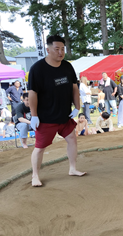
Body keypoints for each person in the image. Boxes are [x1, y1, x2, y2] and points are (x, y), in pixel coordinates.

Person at [28, 35, 86, 186]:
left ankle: (72, 168)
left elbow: (74, 87)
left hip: (64, 115)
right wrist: (34, 115)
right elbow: (32, 93)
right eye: (57, 49)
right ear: (48, 50)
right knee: (40, 147)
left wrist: (77, 107)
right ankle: (35, 176)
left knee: (72, 139)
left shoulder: (67, 66)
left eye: (62, 49)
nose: (60, 52)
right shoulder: (37, 69)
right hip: (46, 117)